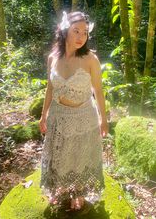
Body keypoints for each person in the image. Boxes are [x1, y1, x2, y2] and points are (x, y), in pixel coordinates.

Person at [39, 11, 108, 213]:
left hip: (84, 117)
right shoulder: (53, 58)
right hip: (58, 116)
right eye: (76, 31)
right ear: (64, 31)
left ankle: (78, 193)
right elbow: (50, 88)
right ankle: (59, 189)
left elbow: (98, 91)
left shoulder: (90, 59)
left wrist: (104, 120)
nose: (80, 37)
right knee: (58, 154)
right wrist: (43, 115)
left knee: (79, 156)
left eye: (85, 32)